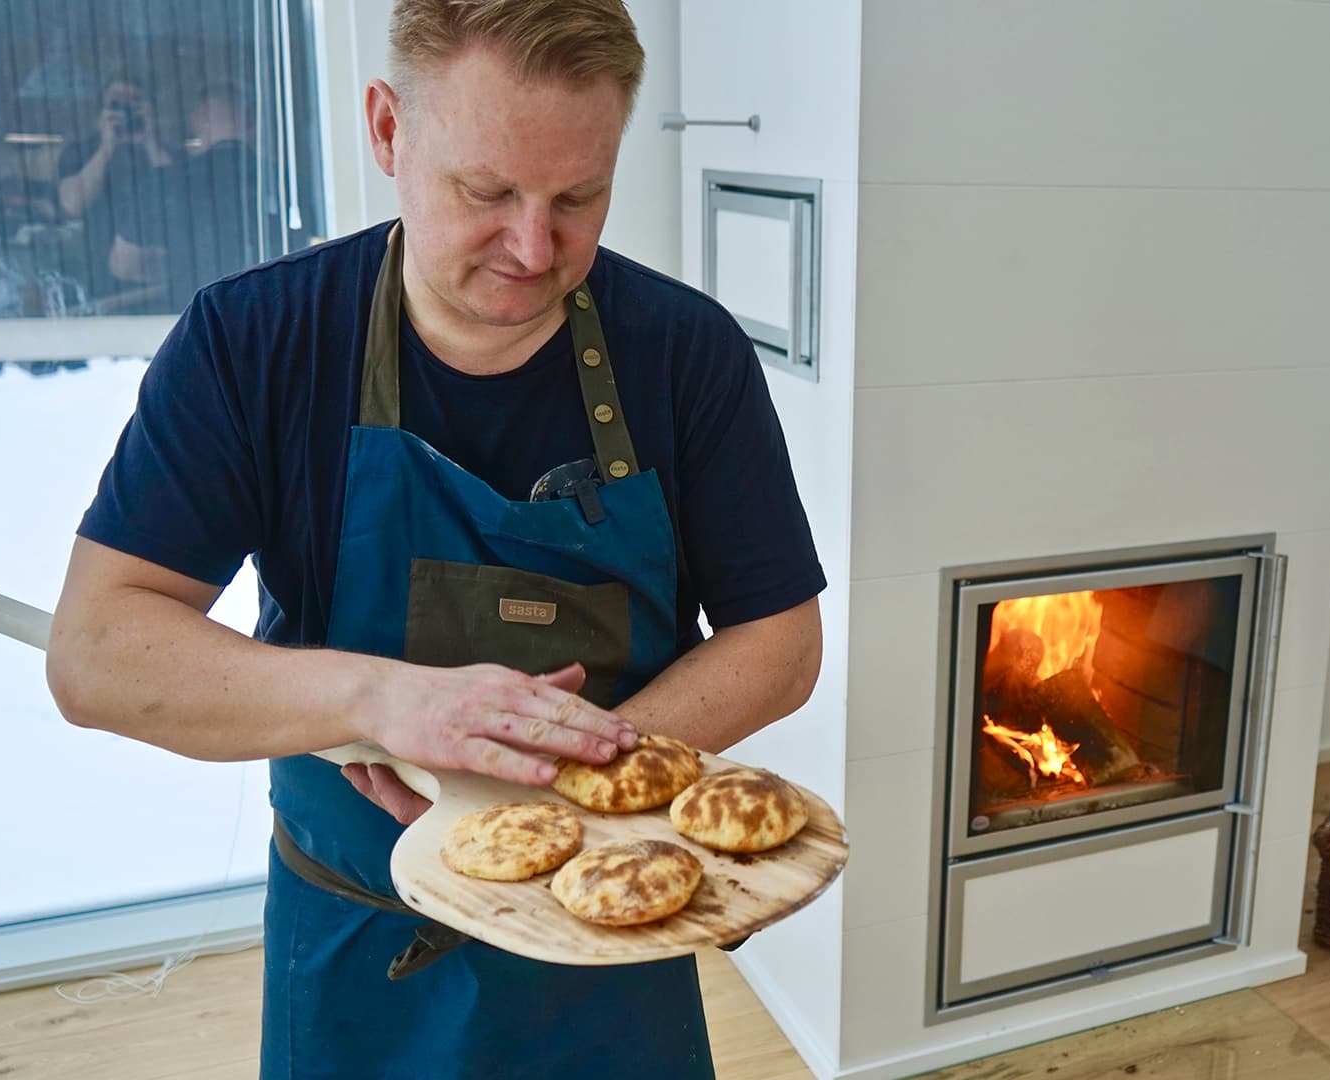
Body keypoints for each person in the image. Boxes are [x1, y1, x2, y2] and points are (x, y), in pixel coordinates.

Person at [43, 2, 825, 1076]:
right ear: (385, 131)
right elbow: (97, 655)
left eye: (578, 197)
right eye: (487, 191)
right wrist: (385, 698)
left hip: (611, 926)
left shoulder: (686, 354)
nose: (534, 247)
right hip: (365, 948)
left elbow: (779, 640)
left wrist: (575, 791)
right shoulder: (255, 342)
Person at [112, 82, 261, 309]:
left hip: (191, 320)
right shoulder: (288, 183)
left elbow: (124, 263)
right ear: (252, 123)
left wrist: (179, 266)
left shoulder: (167, 182)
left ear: (196, 121)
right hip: (273, 321)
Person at [55, 78, 173, 300]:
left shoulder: (164, 152)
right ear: (100, 111)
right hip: (97, 280)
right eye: (117, 103)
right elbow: (72, 205)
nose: (126, 110)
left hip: (159, 281)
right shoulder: (81, 152)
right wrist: (107, 145)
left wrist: (149, 140)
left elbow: (178, 198)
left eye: (135, 102)